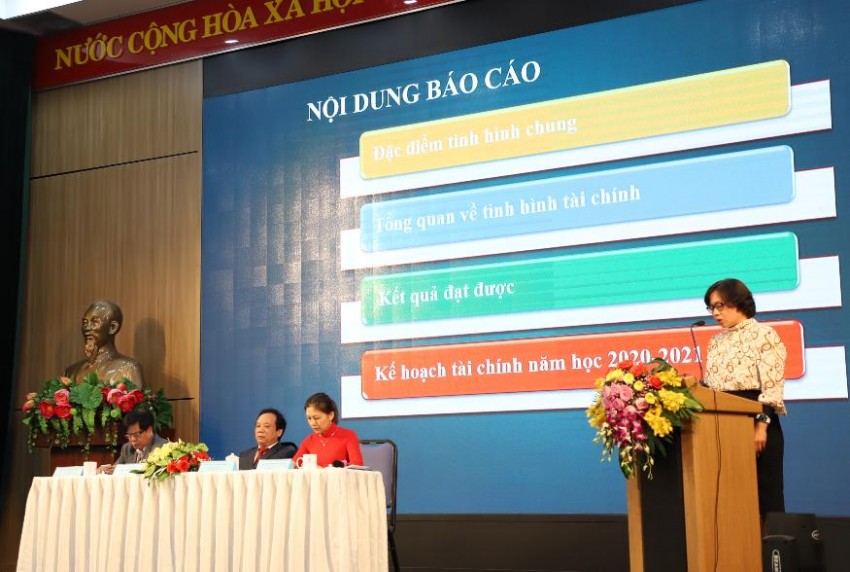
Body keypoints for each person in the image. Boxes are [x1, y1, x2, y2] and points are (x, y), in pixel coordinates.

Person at [703, 278, 787, 518]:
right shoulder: (715, 341)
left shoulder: (764, 334)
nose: (715, 313)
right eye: (711, 307)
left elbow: (771, 385)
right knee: (730, 498)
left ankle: (770, 543)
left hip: (756, 423)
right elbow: (712, 387)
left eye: (720, 306)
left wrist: (761, 426)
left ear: (738, 301)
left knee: (765, 496)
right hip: (722, 426)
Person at [64, 299, 144, 386]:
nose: (87, 328)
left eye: (95, 322)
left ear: (112, 327)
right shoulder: (72, 372)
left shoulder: (128, 369)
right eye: (85, 322)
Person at [292, 392, 363, 468]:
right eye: (309, 418)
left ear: (330, 415)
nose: (312, 423)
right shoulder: (309, 440)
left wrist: (323, 469)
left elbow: (357, 466)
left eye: (316, 418)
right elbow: (292, 465)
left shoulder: (348, 435)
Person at [99, 408, 167, 474]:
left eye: (136, 434)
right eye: (129, 435)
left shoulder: (163, 447)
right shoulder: (127, 448)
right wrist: (108, 470)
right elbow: (116, 470)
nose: (132, 439)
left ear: (149, 430)